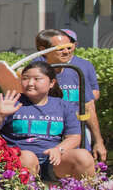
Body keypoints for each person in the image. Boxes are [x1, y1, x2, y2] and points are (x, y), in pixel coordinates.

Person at [0, 61, 95, 181]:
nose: (30, 83)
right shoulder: (10, 101)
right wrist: (0, 115)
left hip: (53, 161)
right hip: (21, 159)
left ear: (52, 83)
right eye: (25, 78)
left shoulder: (63, 106)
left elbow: (74, 137)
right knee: (28, 158)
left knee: (83, 156)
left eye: (37, 79)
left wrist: (59, 149)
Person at [33, 29, 107, 161]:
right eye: (60, 49)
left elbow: (89, 107)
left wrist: (98, 141)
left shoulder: (77, 71)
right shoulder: (33, 73)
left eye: (68, 47)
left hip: (75, 132)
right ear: (43, 49)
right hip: (45, 137)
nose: (67, 52)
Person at [59, 28, 99, 100]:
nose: (65, 48)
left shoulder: (86, 65)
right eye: (61, 43)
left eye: (69, 42)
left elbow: (95, 91)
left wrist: (82, 104)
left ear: (75, 44)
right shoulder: (45, 64)